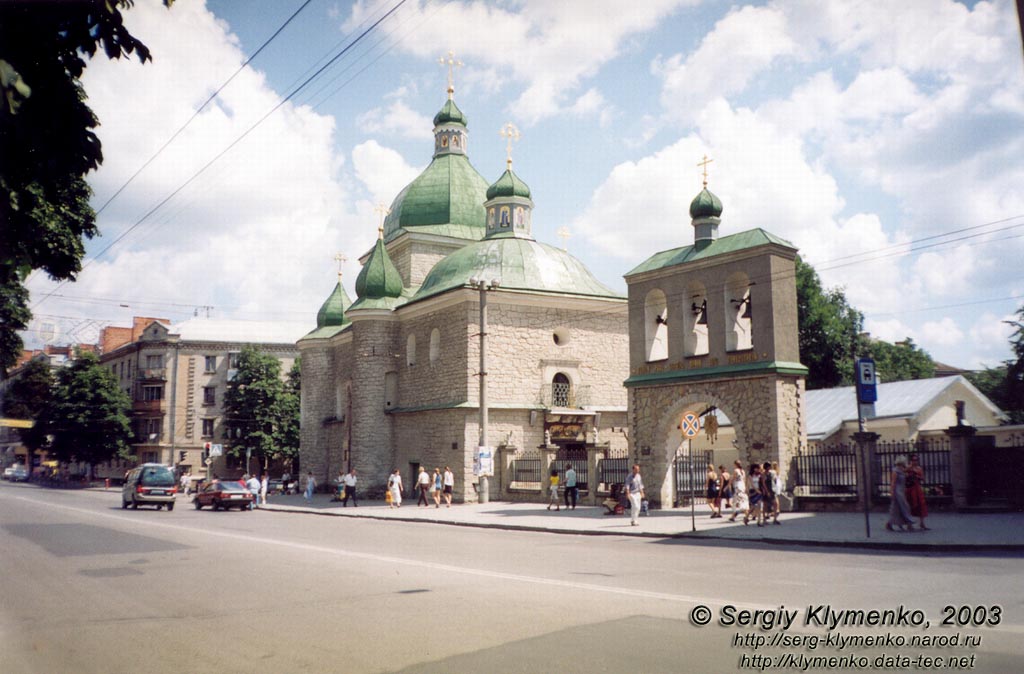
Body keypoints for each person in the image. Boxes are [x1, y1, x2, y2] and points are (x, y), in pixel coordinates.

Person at [886, 456, 915, 532]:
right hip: (897, 491)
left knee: (896, 508)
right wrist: (892, 492)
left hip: (901, 490)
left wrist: (911, 465)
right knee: (905, 506)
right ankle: (909, 523)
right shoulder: (895, 471)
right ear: (901, 463)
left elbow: (907, 469)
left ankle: (890, 523)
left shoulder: (901, 470)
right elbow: (893, 483)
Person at [906, 454, 929, 530]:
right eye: (913, 460)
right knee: (910, 505)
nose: (915, 462)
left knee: (921, 504)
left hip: (917, 487)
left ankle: (922, 523)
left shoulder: (919, 468)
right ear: (911, 460)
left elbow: (923, 478)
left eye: (916, 460)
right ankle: (909, 524)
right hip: (910, 488)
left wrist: (917, 476)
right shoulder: (908, 468)